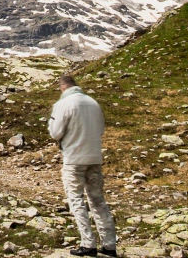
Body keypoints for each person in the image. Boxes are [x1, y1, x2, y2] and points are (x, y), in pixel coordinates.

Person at [48, 73, 117, 257]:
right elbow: (101, 128)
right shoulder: (93, 103)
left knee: (76, 199)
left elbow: (55, 132)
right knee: (97, 199)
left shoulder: (63, 104)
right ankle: (109, 245)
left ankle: (88, 243)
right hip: (94, 157)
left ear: (63, 88)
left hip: (73, 159)